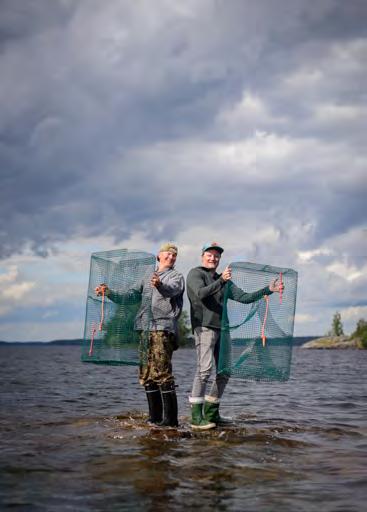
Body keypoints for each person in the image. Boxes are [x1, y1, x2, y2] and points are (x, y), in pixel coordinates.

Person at [186, 242, 284, 431]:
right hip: (204, 328)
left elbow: (244, 297)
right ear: (202, 256)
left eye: (217, 256)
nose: (213, 258)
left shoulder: (224, 279)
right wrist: (221, 280)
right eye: (210, 254)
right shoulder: (196, 273)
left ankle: (212, 412)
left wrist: (268, 290)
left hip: (223, 330)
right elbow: (200, 294)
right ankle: (196, 417)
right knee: (204, 370)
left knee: (225, 371)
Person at [95, 243, 185, 427]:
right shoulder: (146, 276)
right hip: (144, 329)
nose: (171, 257)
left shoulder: (176, 277)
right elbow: (130, 296)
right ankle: (154, 419)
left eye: (174, 255)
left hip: (162, 328)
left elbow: (172, 289)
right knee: (146, 374)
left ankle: (170, 421)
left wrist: (159, 284)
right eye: (168, 253)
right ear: (158, 256)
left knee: (162, 373)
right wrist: (109, 292)